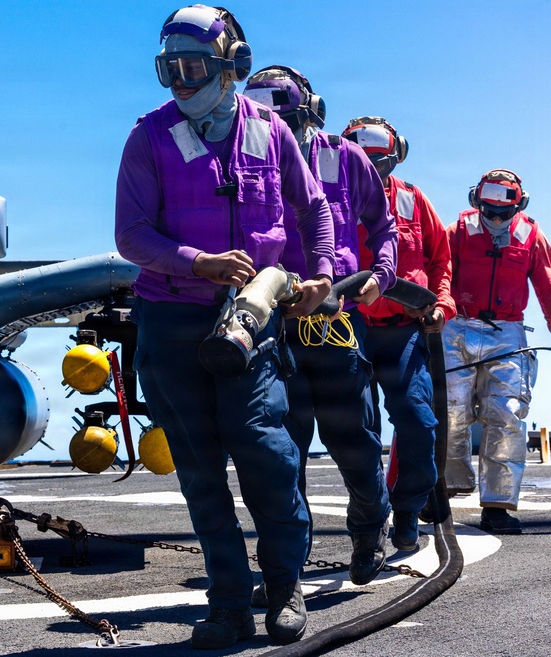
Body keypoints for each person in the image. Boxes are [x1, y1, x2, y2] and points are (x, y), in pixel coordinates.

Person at [114, 6, 335, 649]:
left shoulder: (272, 132)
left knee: (267, 453)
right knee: (202, 471)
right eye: (168, 71)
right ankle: (229, 605)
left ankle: (285, 587)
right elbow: (130, 234)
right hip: (174, 319)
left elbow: (312, 205)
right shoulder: (148, 137)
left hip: (253, 320)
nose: (180, 84)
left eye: (193, 69)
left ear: (231, 66)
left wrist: (319, 271)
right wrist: (197, 262)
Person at [242, 68, 397, 588]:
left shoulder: (345, 157)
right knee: (281, 455)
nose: (275, 130)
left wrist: (382, 273)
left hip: (333, 324)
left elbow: (383, 225)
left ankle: (370, 527)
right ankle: (286, 567)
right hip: (271, 327)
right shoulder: (245, 154)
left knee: (353, 441)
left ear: (310, 113)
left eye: (284, 119)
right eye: (266, 120)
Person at [342, 116, 456, 550]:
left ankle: (407, 510)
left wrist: (440, 305)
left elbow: (440, 260)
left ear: (396, 157)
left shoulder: (412, 200)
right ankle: (369, 524)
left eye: (380, 164)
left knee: (419, 420)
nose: (371, 174)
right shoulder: (326, 196)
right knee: (358, 432)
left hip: (402, 332)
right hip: (346, 331)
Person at [444, 169, 551, 533]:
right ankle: (446, 488)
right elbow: (439, 274)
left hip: (507, 332)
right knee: (449, 409)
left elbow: (548, 287)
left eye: (503, 214)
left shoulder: (532, 237)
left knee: (506, 415)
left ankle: (497, 505)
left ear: (518, 206)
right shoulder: (457, 232)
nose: (495, 219)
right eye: (489, 211)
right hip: (456, 325)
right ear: (477, 202)